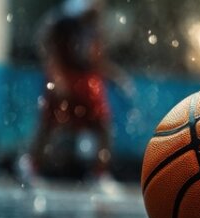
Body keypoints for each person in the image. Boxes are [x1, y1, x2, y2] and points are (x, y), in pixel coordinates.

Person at [24, 0, 131, 188]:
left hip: (86, 80)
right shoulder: (64, 22)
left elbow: (96, 60)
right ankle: (29, 166)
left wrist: (116, 76)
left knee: (103, 125)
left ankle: (99, 174)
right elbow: (46, 44)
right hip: (66, 77)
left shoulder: (93, 28)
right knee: (49, 124)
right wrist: (56, 75)